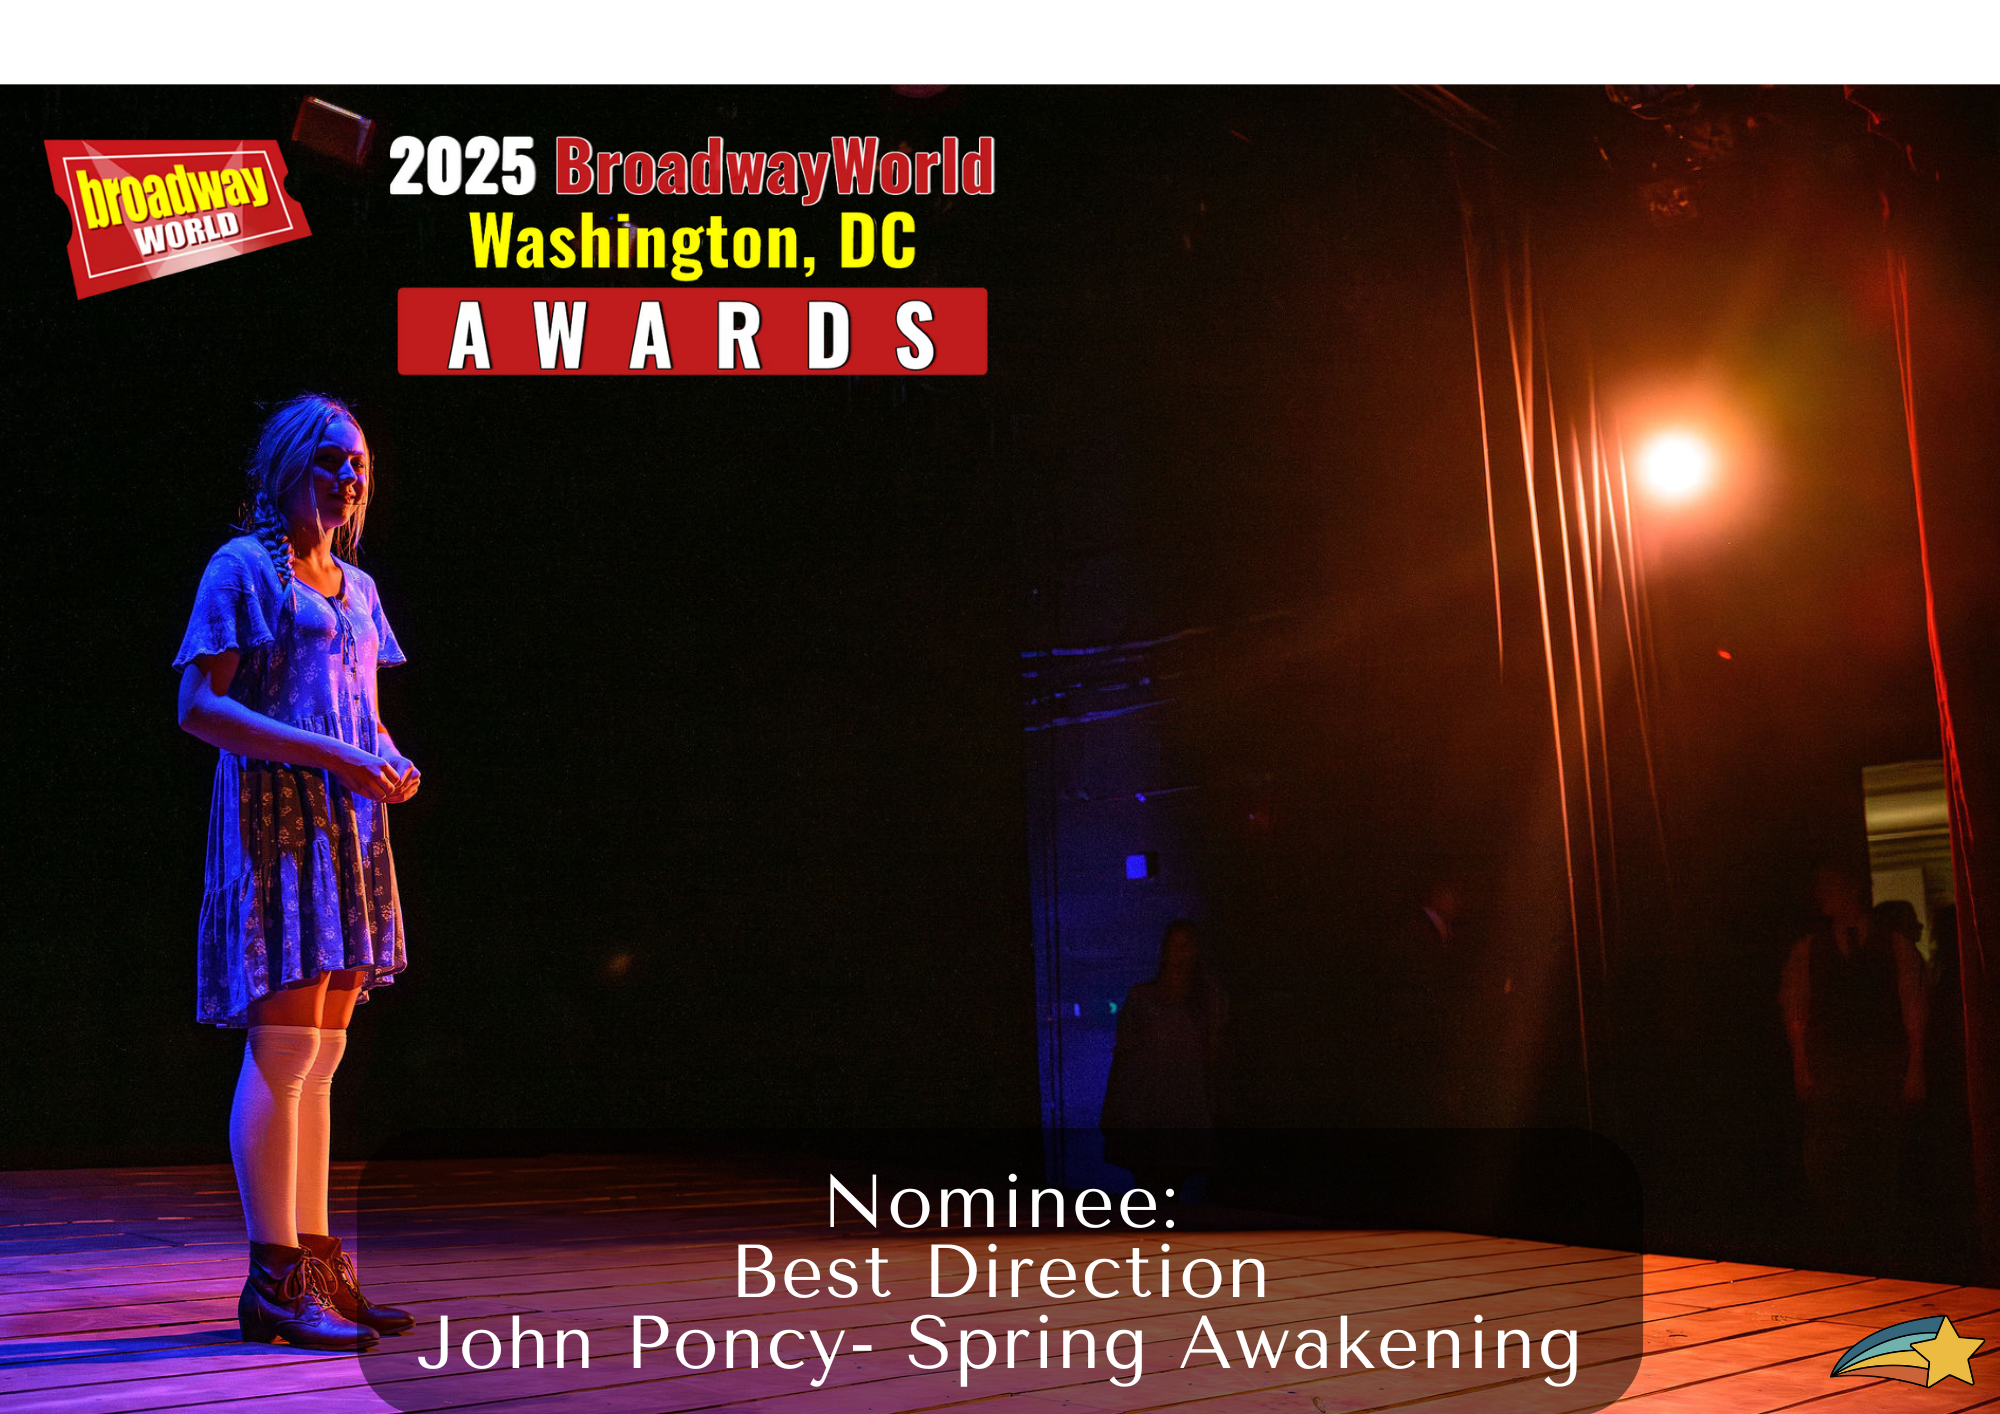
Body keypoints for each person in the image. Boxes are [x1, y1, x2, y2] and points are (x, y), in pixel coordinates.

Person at [175, 395, 420, 1350]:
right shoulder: (243, 570)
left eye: (357, 463)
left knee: (322, 1056)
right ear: (284, 466)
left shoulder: (356, 588)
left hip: (348, 826)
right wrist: (333, 759)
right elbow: (200, 705)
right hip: (278, 822)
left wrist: (388, 757)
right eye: (327, 461)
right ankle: (272, 1277)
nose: (347, 478)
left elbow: (359, 706)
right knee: (282, 1052)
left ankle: (315, 1261)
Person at [1778, 865, 1927, 1268]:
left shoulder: (1894, 944)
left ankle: (1886, 1256)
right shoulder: (1809, 949)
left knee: (1882, 1166)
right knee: (1834, 1171)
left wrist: (1914, 1069)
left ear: (1850, 892)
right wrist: (1803, 1068)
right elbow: (1797, 1014)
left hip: (1879, 1073)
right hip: (1834, 1074)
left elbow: (1913, 1011)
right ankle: (1845, 1254)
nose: (1822, 895)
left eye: (1830, 888)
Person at [1101, 921, 1229, 1193]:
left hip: (1184, 1110)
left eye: (1183, 947)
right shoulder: (1142, 998)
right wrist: (1111, 1107)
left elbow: (1213, 1059)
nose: (1176, 954)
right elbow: (1122, 1056)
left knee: (1165, 1188)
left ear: (1195, 952)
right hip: (1146, 1110)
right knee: (1153, 1188)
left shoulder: (1208, 999)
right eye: (1172, 947)